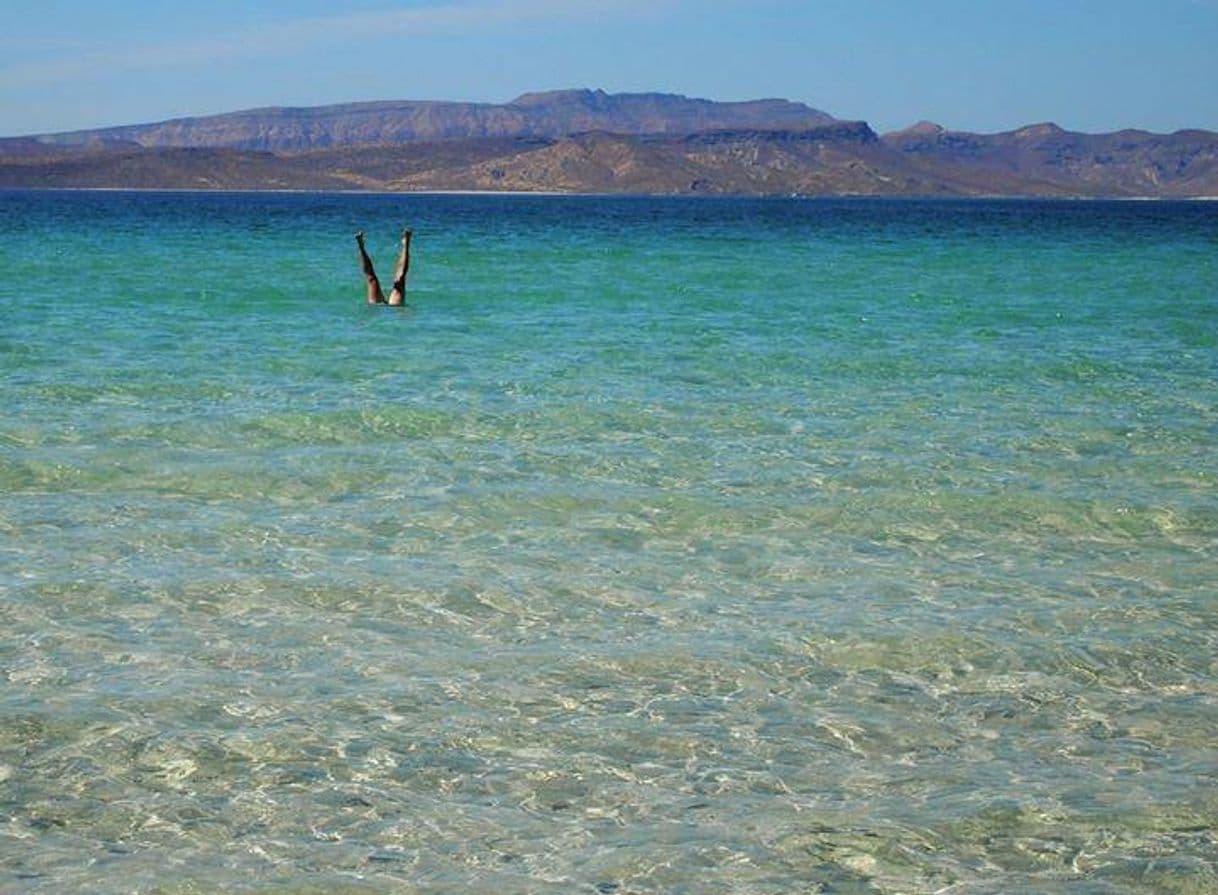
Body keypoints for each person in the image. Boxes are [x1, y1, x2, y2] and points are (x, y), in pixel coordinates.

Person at [356, 228, 412, 306]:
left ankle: (406, 244)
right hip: (377, 308)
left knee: (400, 279)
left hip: (393, 307)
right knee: (371, 279)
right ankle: (361, 247)